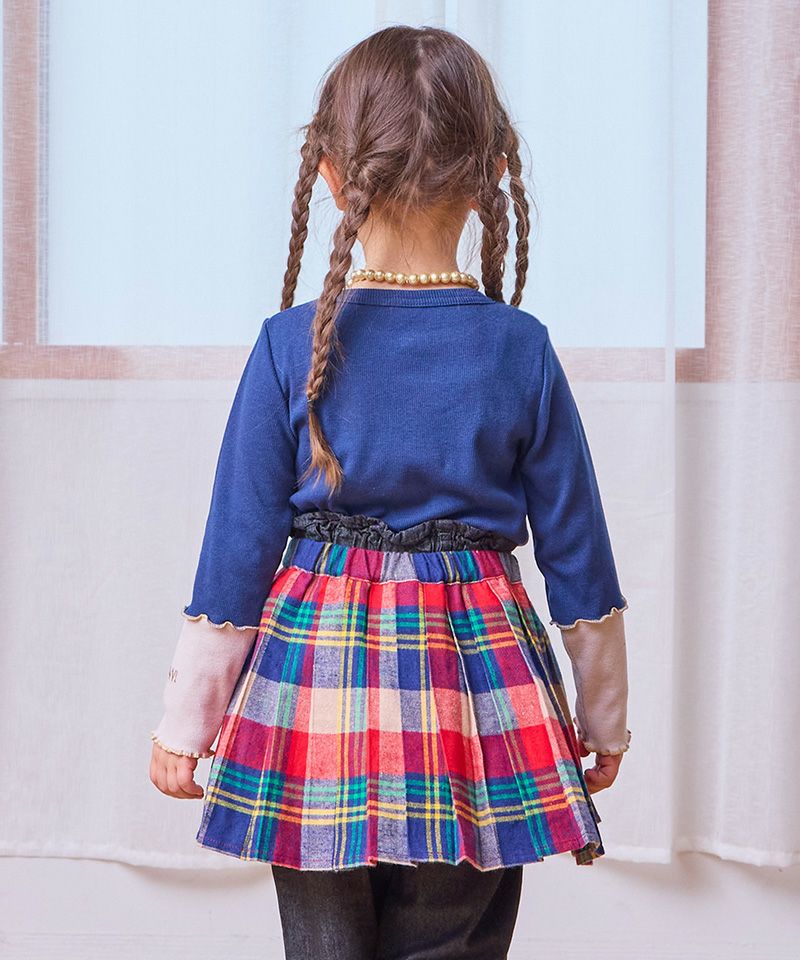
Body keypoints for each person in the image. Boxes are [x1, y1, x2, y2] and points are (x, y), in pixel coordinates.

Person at [148, 24, 631, 960]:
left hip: (313, 696)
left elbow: (235, 552)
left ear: (331, 175)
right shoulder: (520, 349)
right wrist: (603, 718)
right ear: (490, 174)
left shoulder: (288, 345)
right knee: (456, 940)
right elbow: (580, 558)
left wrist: (184, 724)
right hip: (477, 701)